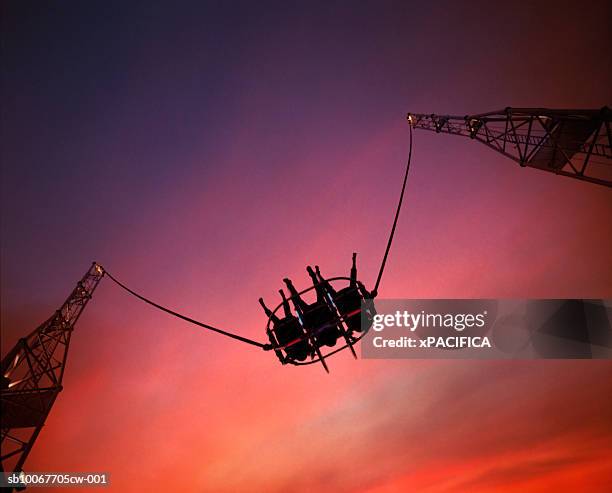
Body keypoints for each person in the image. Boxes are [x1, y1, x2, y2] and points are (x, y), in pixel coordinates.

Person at [259, 291, 311, 361]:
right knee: (282, 315)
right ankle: (280, 299)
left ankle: (265, 305)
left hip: (284, 330)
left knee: (276, 317)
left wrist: (270, 346)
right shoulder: (302, 346)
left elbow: (278, 347)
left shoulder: (292, 352)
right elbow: (308, 334)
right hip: (290, 326)